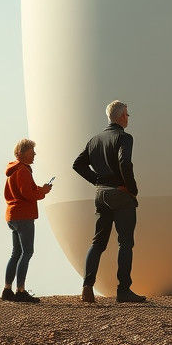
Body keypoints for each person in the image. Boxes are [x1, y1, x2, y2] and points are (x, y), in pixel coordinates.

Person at [72, 101, 146, 303]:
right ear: (121, 117)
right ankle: (123, 290)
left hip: (100, 194)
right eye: (127, 115)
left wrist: (98, 180)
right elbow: (124, 162)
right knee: (125, 243)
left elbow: (77, 165)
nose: (128, 118)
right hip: (120, 194)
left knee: (98, 242)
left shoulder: (95, 139)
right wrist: (131, 189)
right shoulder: (124, 137)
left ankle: (87, 287)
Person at [1, 138, 53, 303]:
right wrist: (43, 192)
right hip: (24, 215)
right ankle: (21, 290)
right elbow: (28, 194)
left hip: (13, 214)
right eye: (32, 152)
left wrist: (40, 189)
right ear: (22, 153)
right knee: (27, 252)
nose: (34, 154)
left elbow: (26, 190)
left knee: (15, 253)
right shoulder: (23, 170)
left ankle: (7, 289)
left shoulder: (13, 170)